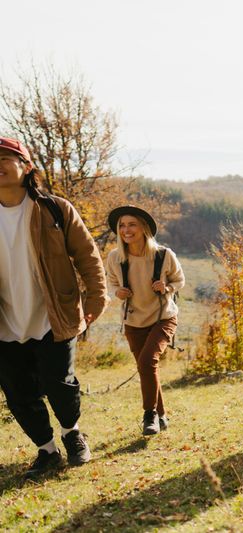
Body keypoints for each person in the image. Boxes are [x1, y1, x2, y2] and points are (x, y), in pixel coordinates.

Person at [0, 136, 106, 479]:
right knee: (17, 392)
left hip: (53, 315)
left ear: (26, 166)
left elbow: (88, 256)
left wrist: (96, 297)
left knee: (59, 383)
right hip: (5, 322)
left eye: (5, 157)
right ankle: (47, 450)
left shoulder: (54, 209)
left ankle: (72, 433)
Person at [106, 206, 184, 436]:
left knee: (147, 361)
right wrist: (117, 292)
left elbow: (179, 280)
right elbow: (111, 283)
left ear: (143, 227)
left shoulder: (163, 255)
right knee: (146, 367)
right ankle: (161, 415)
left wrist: (167, 287)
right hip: (133, 320)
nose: (126, 230)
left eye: (131, 224)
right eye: (122, 225)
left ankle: (149, 415)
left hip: (163, 317)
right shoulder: (115, 257)